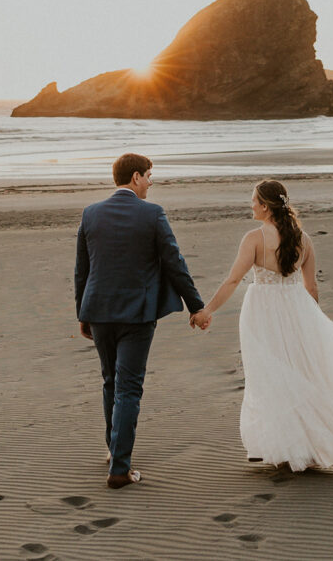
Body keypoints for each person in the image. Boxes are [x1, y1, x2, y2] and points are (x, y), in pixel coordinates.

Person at [201, 180, 333, 472]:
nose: (250, 205)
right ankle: (306, 445)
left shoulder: (254, 238)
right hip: (297, 309)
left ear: (265, 205)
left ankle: (285, 446)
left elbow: (233, 280)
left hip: (262, 311)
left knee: (270, 374)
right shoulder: (304, 240)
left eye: (253, 200)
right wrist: (311, 322)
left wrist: (207, 310)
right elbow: (311, 288)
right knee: (303, 371)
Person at [75, 153, 210, 489]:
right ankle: (120, 468)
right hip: (137, 314)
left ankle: (114, 449)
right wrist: (196, 305)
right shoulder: (152, 214)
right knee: (129, 388)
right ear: (135, 177)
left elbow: (82, 270)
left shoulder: (91, 214)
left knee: (111, 381)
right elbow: (174, 262)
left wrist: (82, 313)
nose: (151, 182)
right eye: (149, 176)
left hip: (100, 312)